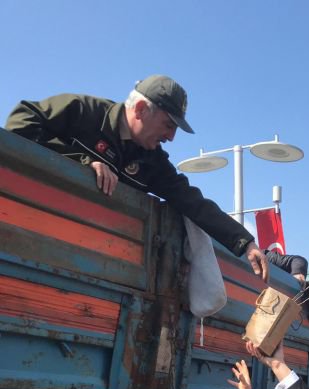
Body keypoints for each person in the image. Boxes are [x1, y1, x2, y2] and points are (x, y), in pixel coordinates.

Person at [5, 75, 267, 280]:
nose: (171, 137)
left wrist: (244, 242)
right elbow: (20, 122)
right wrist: (81, 163)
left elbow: (190, 200)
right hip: (26, 240)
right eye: (168, 125)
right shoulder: (84, 112)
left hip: (96, 261)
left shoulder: (153, 160)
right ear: (141, 108)